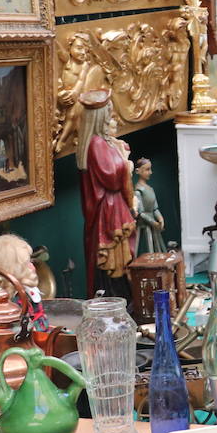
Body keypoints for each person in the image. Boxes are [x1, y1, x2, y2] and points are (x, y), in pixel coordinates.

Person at [77, 93, 136, 297]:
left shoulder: (104, 141)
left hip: (114, 207)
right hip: (107, 213)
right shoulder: (96, 144)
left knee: (121, 258)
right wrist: (125, 162)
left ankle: (123, 296)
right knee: (111, 260)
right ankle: (114, 298)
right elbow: (111, 177)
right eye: (108, 112)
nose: (111, 116)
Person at [133, 157, 166, 254]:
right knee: (150, 251)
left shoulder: (150, 189)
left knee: (159, 250)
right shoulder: (138, 190)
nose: (150, 172)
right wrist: (153, 222)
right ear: (138, 171)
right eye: (147, 169)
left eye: (150, 169)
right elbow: (141, 213)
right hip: (144, 224)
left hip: (153, 225)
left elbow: (155, 208)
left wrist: (160, 218)